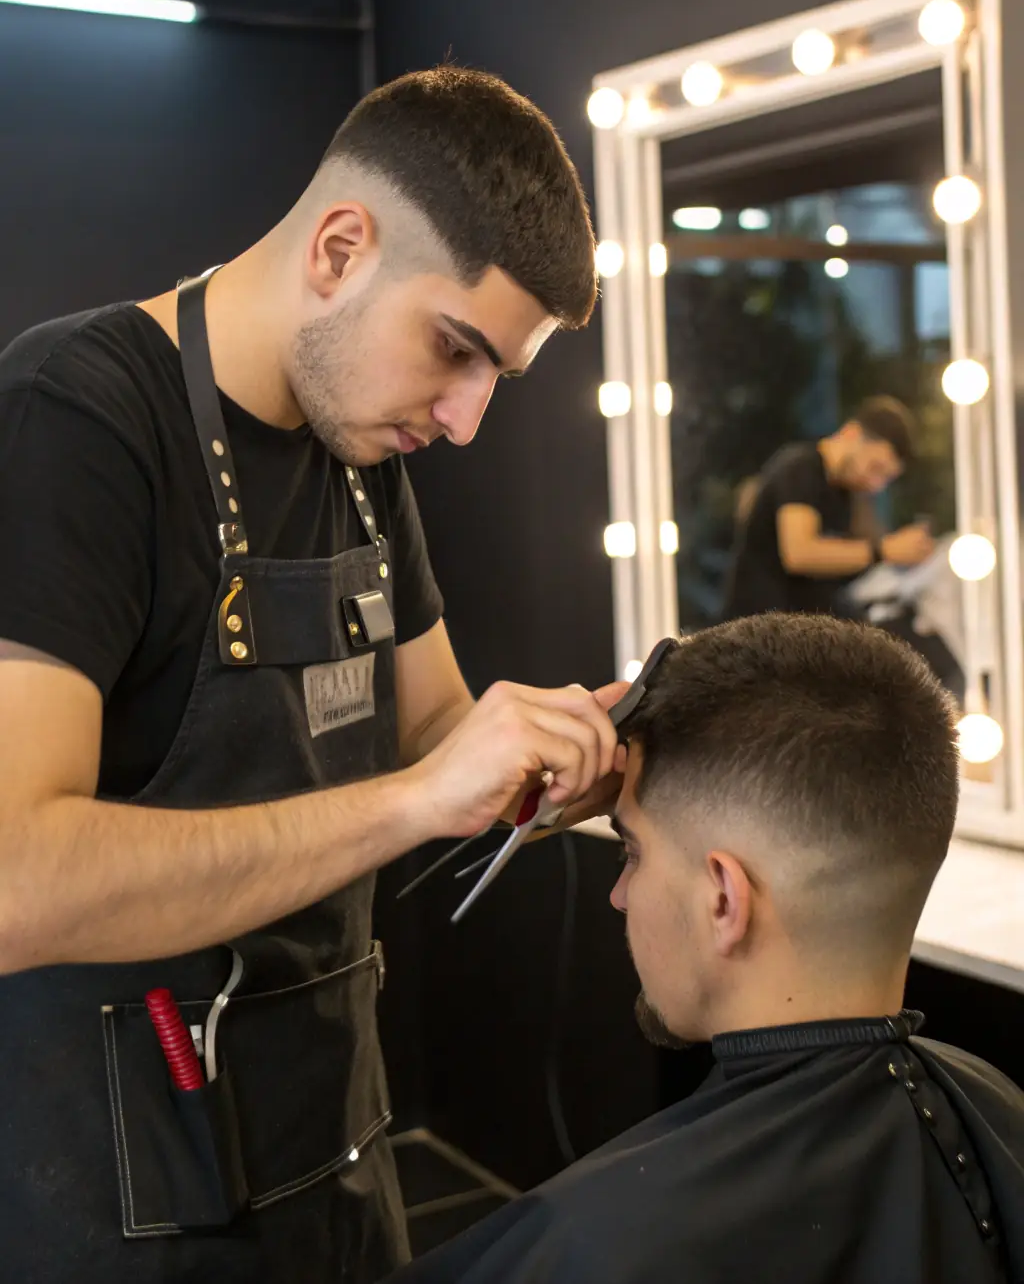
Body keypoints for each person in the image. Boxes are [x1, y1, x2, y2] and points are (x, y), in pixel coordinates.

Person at [0, 66, 626, 1284]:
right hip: (116, 1199)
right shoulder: (76, 420)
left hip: (332, 1148)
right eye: (456, 349)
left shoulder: (359, 447)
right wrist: (415, 804)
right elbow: (13, 880)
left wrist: (564, 756)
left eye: (496, 373)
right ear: (341, 248)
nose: (464, 420)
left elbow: (433, 736)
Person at [391, 613, 1024, 1284]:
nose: (620, 896)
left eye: (632, 850)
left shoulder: (595, 1246)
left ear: (724, 897)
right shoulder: (1000, 1119)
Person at [722, 396, 935, 621]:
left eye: (885, 479)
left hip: (792, 627)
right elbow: (800, 553)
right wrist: (884, 551)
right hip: (757, 626)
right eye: (875, 468)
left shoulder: (844, 495)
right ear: (851, 434)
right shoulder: (801, 469)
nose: (875, 484)